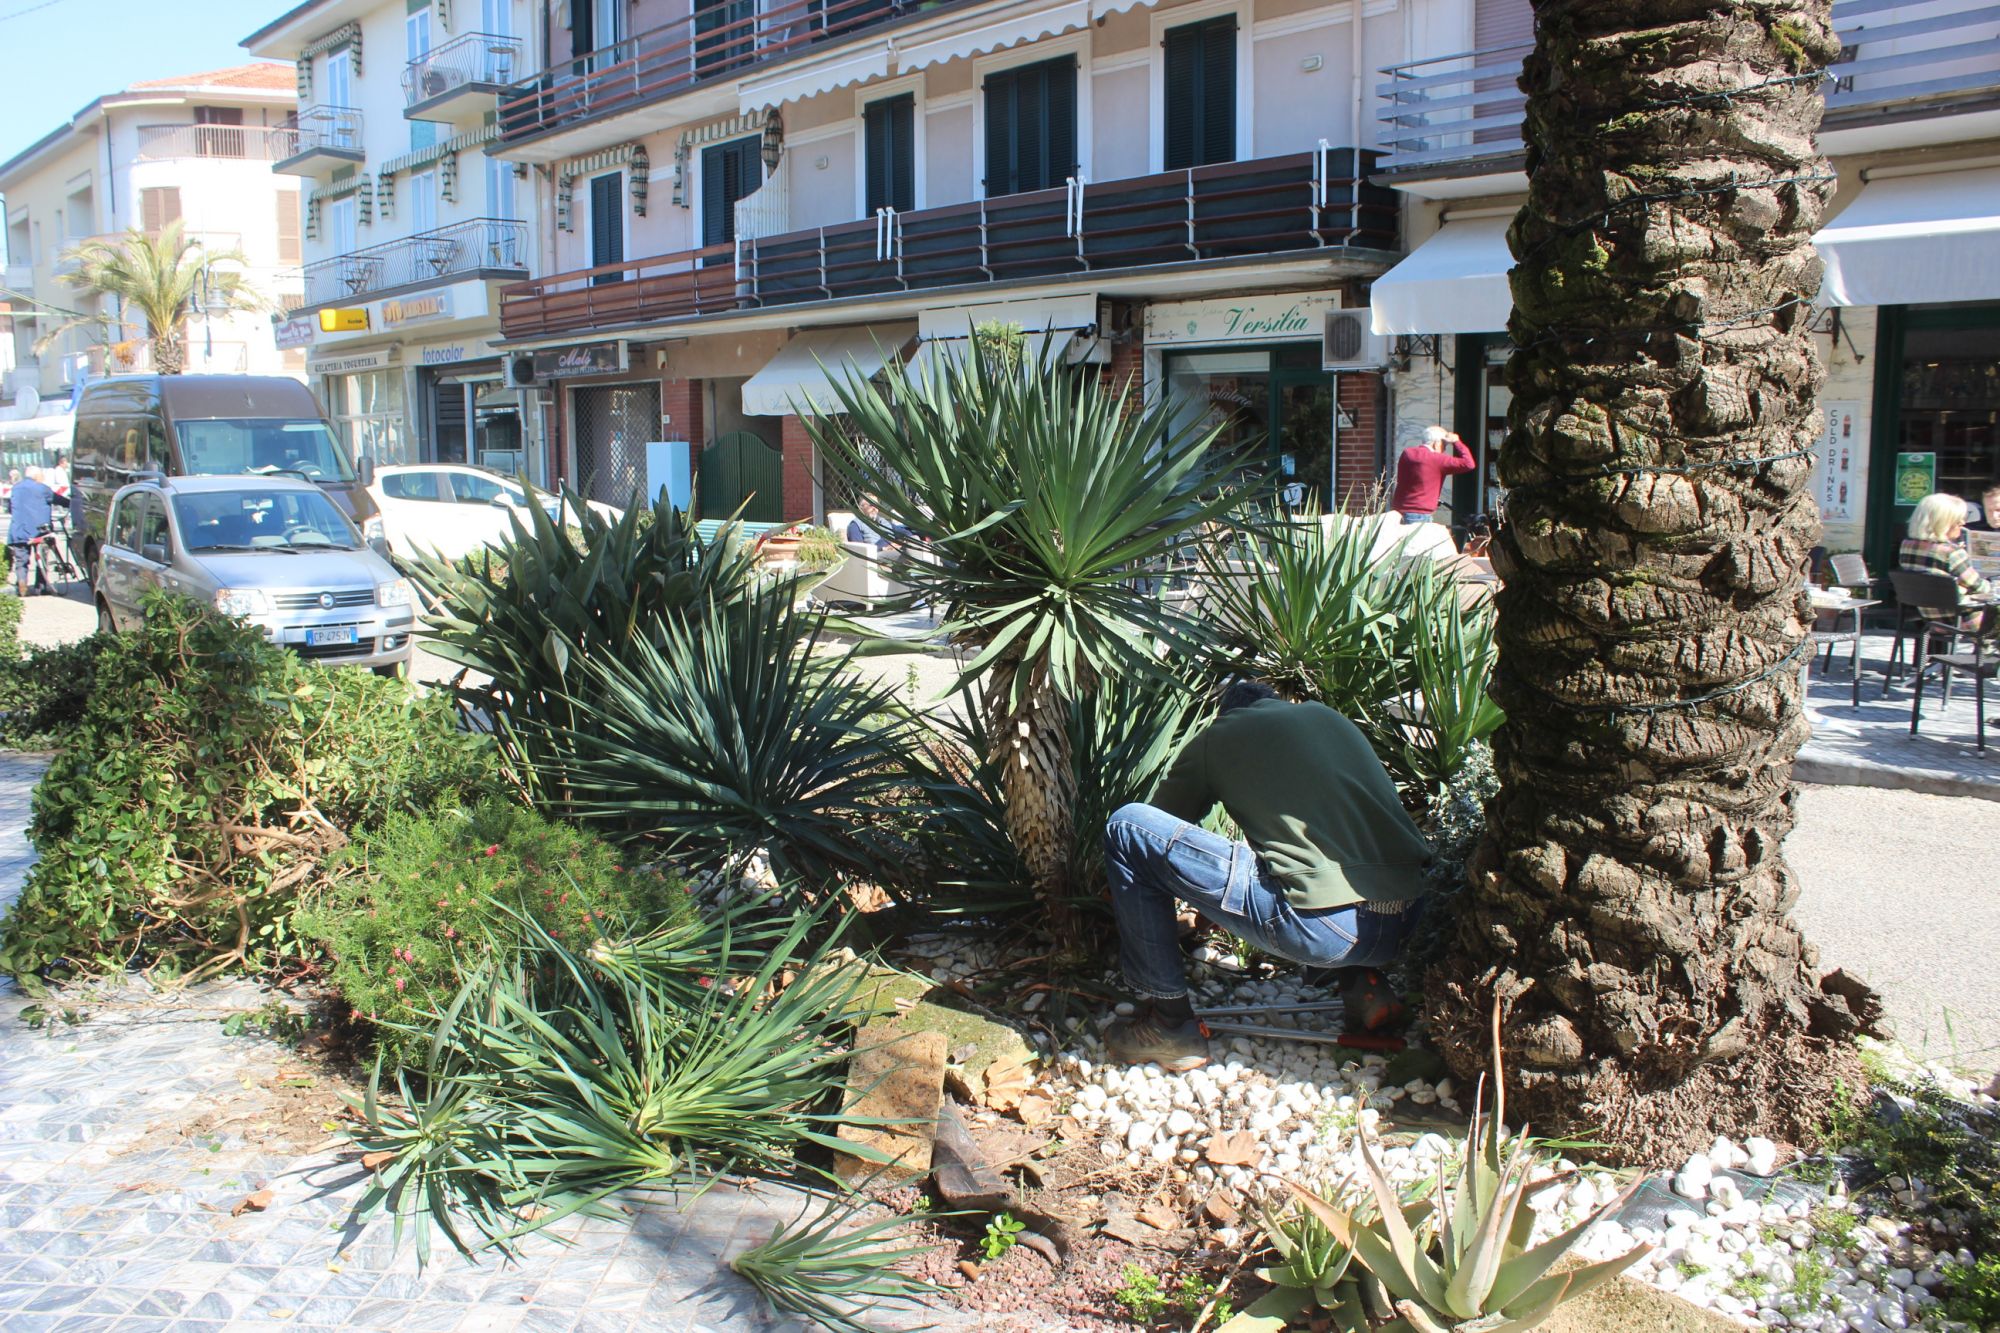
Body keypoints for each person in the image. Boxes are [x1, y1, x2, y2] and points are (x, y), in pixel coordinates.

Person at [1099, 680, 1435, 1071]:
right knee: (1324, 862)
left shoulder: (1220, 736)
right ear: (1277, 704)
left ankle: (1167, 1023)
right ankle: (1364, 987)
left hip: (1326, 931)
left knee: (1128, 828)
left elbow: (1158, 833)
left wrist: (1117, 899)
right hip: (1408, 919)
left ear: (1228, 714)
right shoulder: (1328, 718)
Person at [1900, 491, 1996, 636]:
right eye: (1958, 520)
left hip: (1930, 618)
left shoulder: (1907, 546)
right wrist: (1993, 585)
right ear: (1943, 522)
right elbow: (1979, 586)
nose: (1963, 523)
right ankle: (1986, 656)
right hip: (1962, 619)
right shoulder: (1951, 552)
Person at [1391, 426, 1476, 525]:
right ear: (1436, 444)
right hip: (1419, 515)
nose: (1444, 449)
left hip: (1398, 513)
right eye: (1444, 445)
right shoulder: (1437, 459)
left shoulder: (1407, 453)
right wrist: (1456, 442)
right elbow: (1469, 464)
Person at [7, 467, 70, 598]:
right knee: (42, 556)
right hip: (40, 531)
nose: (43, 478)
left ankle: (22, 584)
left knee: (21, 560)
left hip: (19, 530)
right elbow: (59, 500)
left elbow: (10, 508)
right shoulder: (42, 488)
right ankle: (40, 587)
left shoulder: (16, 488)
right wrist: (71, 504)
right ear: (36, 476)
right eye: (42, 475)